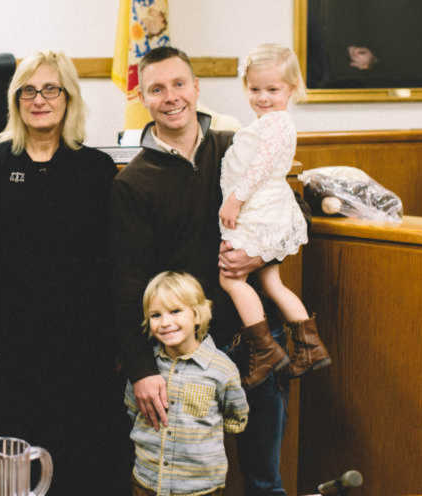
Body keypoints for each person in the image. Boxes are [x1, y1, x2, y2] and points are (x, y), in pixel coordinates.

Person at [111, 45, 310, 495]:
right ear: (143, 98)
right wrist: (142, 369)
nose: (171, 97)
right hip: (184, 358)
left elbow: (298, 213)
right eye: (157, 89)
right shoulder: (132, 182)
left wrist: (259, 255)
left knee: (264, 477)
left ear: (197, 88)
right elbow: (126, 283)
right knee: (187, 484)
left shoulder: (236, 146)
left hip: (257, 342)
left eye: (180, 84)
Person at [0, 50, 121, 494]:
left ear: (69, 98)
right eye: (28, 90)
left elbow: (110, 262)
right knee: (9, 467)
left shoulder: (97, 170)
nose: (39, 99)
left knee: (79, 464)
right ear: (15, 100)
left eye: (50, 89)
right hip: (4, 347)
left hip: (79, 350)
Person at [218, 44, 330, 389]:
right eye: (255, 89)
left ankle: (265, 350)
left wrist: (234, 200)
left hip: (258, 209)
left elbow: (259, 167)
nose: (263, 97)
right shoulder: (269, 122)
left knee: (231, 279)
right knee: (270, 282)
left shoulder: (276, 125)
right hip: (265, 208)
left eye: (273, 89)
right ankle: (309, 347)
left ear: (291, 89)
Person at [126, 272, 248, 496]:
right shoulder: (146, 370)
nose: (165, 323)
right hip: (147, 482)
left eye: (175, 311)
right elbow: (134, 409)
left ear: (197, 315)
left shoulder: (222, 369)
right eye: (155, 315)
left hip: (199, 488)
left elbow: (235, 418)